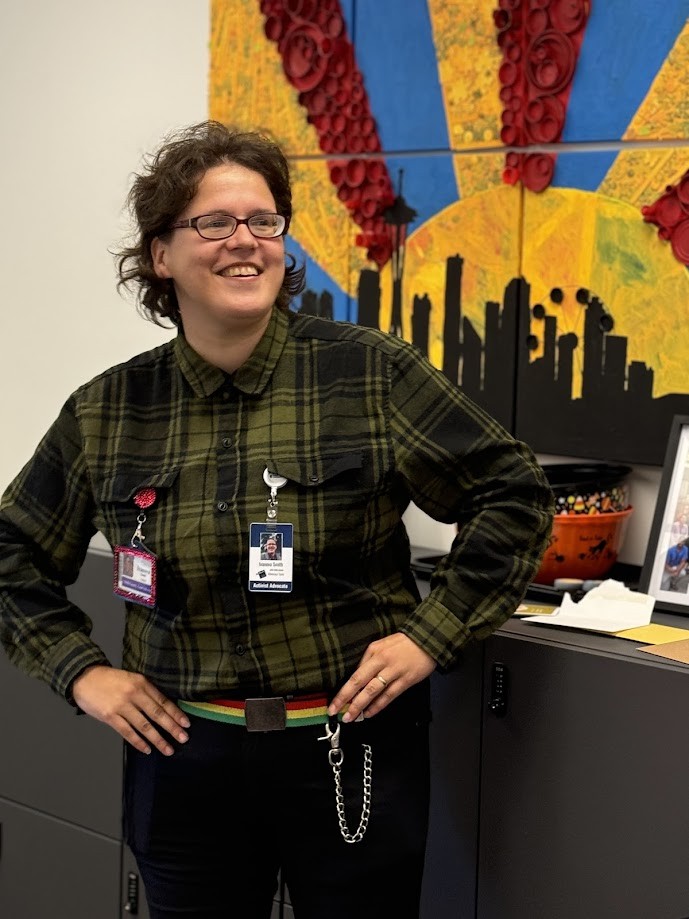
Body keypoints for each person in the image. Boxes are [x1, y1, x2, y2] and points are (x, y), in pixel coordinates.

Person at [0, 121, 554, 919]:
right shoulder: (108, 410)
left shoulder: (367, 372)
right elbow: (12, 552)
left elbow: (514, 492)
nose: (246, 242)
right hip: (182, 756)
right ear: (161, 256)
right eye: (214, 222)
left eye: (264, 221)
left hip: (349, 746)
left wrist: (429, 635)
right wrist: (81, 672)